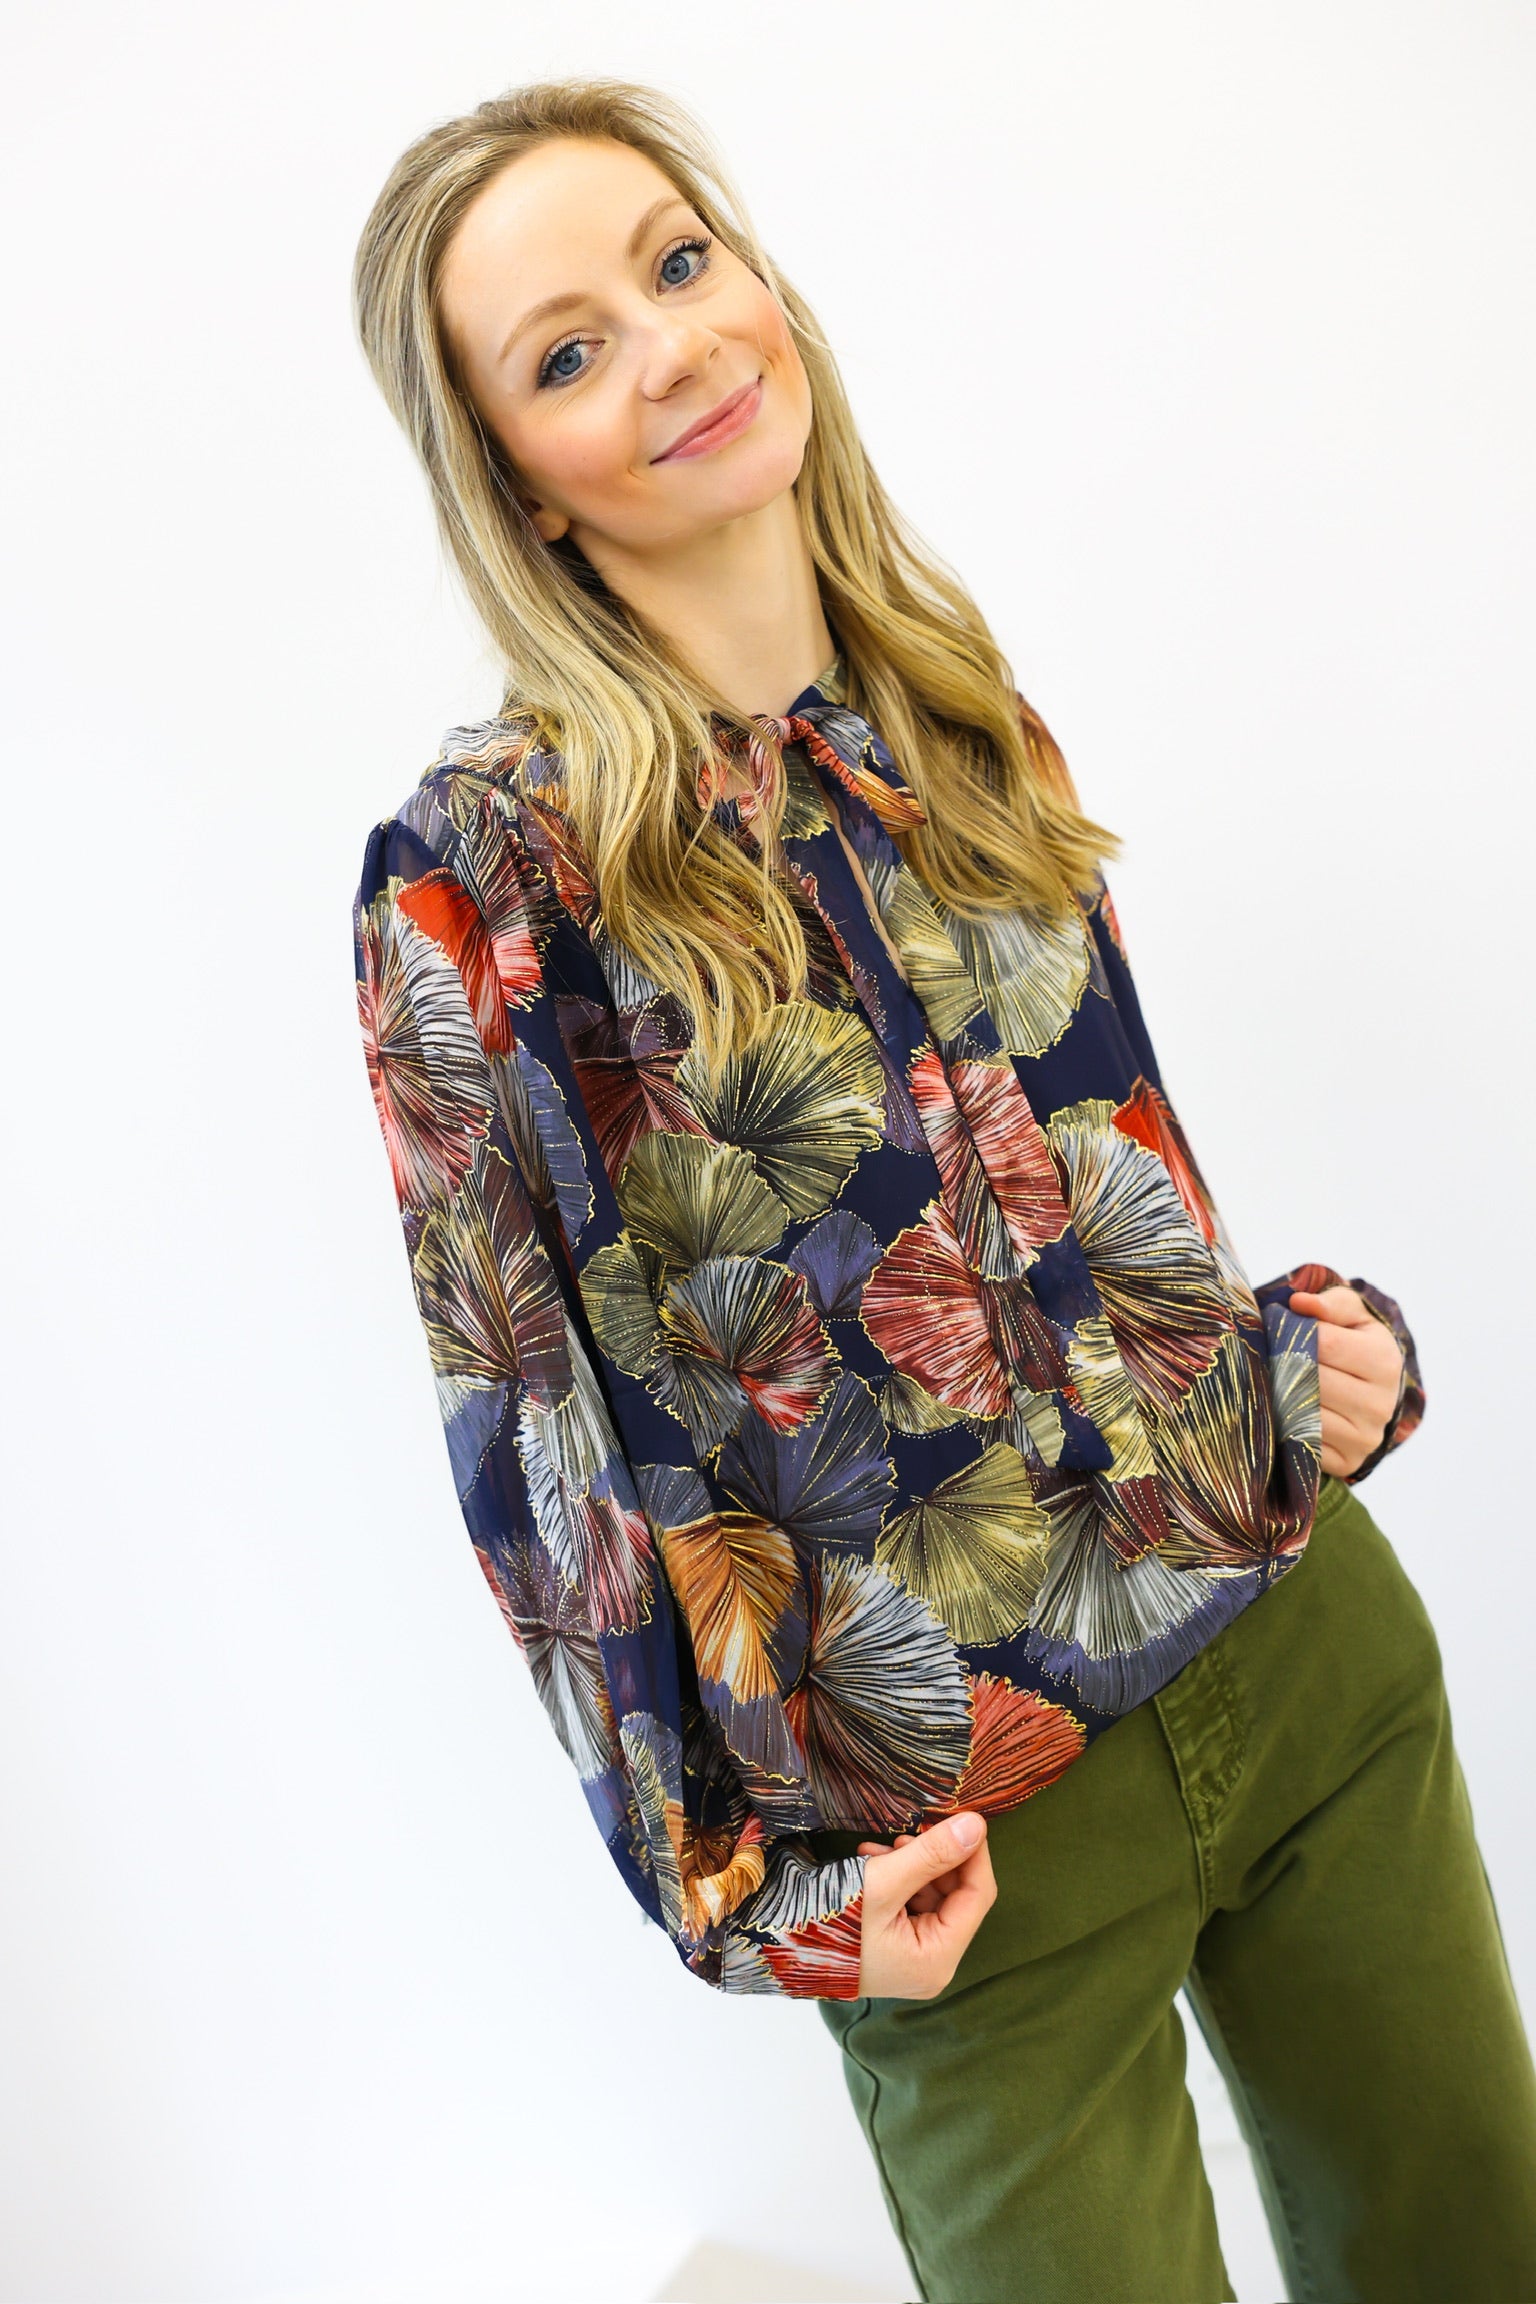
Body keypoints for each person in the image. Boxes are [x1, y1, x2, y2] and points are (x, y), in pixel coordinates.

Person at [348, 75, 1536, 2304]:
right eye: (568, 349)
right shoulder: (481, 877)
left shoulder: (949, 700)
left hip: (1303, 1652)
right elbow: (534, 1448)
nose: (674, 346)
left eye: (679, 263)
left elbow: (1104, 1185)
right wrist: (742, 1901)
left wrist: (1304, 1353)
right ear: (510, 471)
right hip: (963, 1859)